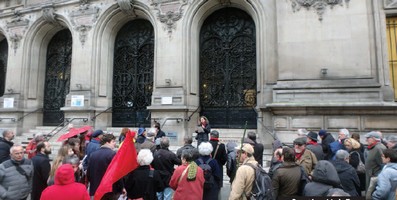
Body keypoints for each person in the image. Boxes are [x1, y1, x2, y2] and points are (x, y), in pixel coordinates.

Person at [87, 134, 122, 199]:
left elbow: (89, 173)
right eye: (113, 141)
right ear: (107, 142)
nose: (115, 143)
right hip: (108, 190)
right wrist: (121, 187)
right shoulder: (112, 154)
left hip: (95, 189)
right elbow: (116, 173)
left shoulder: (93, 154)